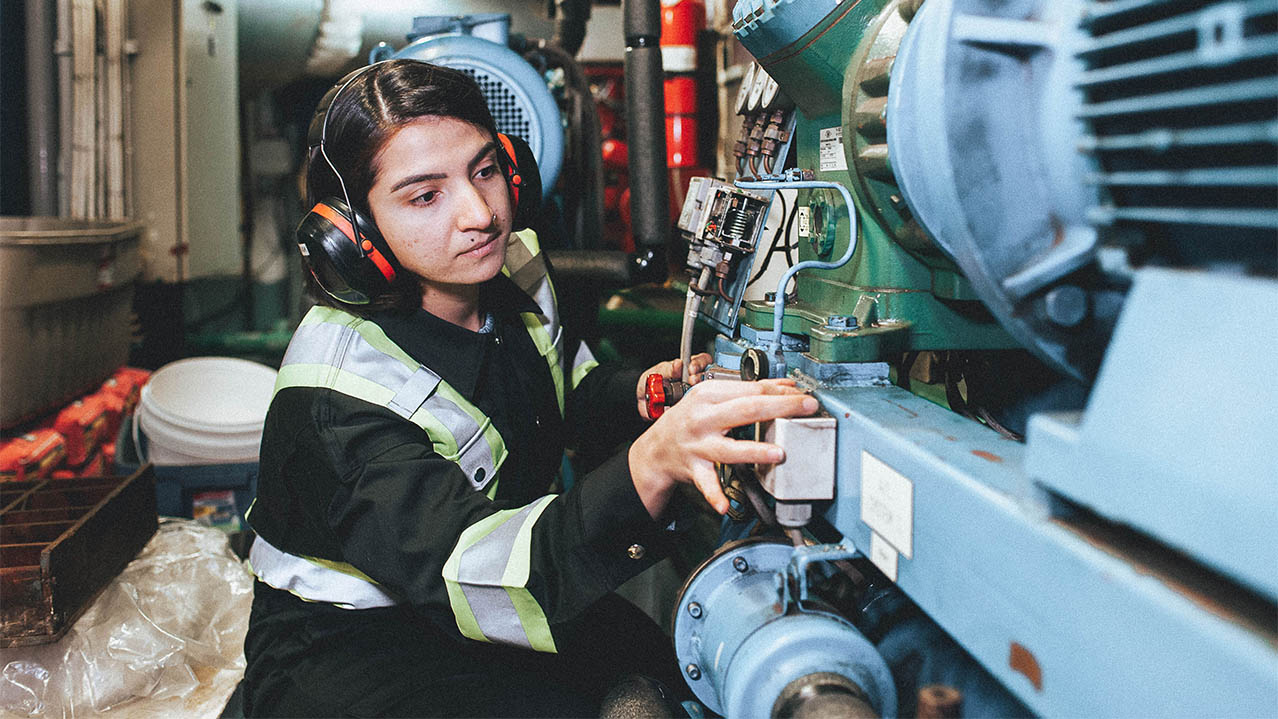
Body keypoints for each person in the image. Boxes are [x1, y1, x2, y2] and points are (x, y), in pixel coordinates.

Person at [241, 59, 817, 718]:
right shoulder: (338, 395)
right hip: (347, 646)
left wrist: (643, 396)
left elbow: (561, 386)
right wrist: (650, 463)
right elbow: (478, 575)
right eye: (425, 195)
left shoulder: (514, 266)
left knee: (672, 669)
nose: (480, 214)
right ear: (354, 235)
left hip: (480, 588)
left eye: (484, 170)